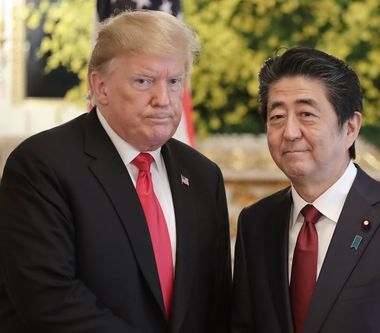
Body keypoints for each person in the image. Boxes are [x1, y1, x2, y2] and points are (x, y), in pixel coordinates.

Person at [0, 10, 231, 333]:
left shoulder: (204, 176)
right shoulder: (42, 165)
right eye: (143, 81)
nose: (163, 99)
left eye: (174, 81)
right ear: (101, 86)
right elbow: (48, 299)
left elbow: (216, 305)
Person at [231, 47, 380, 333]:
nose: (289, 132)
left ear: (350, 127)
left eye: (306, 114)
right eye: (277, 117)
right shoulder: (256, 223)